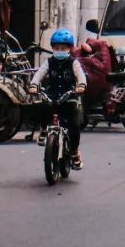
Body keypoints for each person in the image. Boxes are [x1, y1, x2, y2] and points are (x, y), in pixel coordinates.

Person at [30, 28, 87, 170]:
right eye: (56, 48)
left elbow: (80, 75)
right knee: (42, 107)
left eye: (63, 48)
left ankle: (74, 153)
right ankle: (44, 130)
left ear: (69, 49)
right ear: (53, 49)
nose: (59, 50)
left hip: (69, 96)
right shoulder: (49, 62)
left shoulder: (73, 63)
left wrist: (81, 85)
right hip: (52, 95)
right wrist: (34, 85)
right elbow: (39, 73)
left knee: (74, 126)